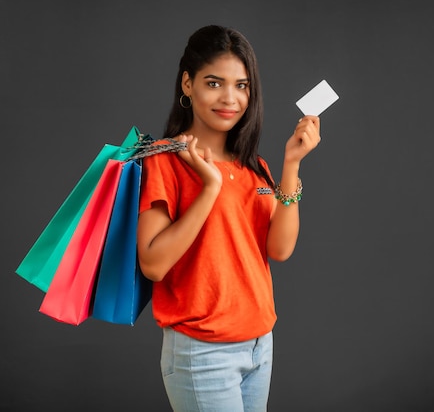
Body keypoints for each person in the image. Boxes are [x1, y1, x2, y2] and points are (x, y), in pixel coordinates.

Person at [137, 25, 321, 412]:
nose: (230, 98)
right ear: (187, 84)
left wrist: (291, 163)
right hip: (202, 352)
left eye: (242, 85)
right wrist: (209, 188)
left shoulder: (256, 169)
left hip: (259, 345)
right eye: (214, 83)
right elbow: (153, 264)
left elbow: (280, 249)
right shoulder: (163, 160)